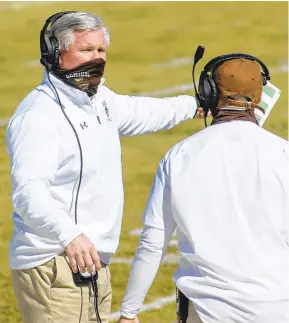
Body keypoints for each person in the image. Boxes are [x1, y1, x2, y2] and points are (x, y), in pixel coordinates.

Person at [6, 11, 204, 323]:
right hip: (55, 261)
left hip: (92, 260)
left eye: (101, 51)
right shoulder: (38, 116)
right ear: (55, 53)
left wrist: (198, 103)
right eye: (87, 50)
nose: (97, 59)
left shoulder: (98, 100)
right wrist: (69, 234)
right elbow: (28, 192)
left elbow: (145, 111)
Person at [118, 50, 289, 323]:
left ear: (208, 93)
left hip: (206, 311)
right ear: (260, 98)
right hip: (277, 309)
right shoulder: (283, 154)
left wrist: (129, 311)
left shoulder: (180, 155)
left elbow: (153, 241)